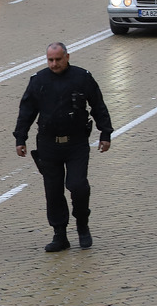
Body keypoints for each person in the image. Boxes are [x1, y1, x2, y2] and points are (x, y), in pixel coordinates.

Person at [14, 43, 113, 252]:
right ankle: (59, 234)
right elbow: (27, 110)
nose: (54, 64)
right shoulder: (38, 80)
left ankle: (82, 224)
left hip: (76, 143)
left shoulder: (82, 78)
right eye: (50, 60)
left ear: (67, 57)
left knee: (77, 185)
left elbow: (98, 105)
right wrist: (20, 138)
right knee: (53, 191)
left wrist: (105, 133)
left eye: (58, 59)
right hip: (48, 144)